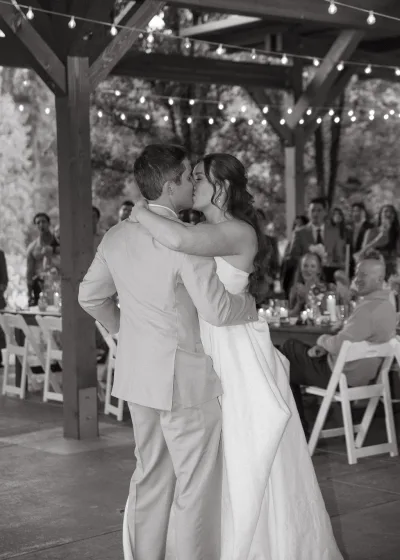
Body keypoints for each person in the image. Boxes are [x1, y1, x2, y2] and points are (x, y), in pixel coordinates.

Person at [131, 152, 342, 560]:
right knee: (202, 453)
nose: (193, 183)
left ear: (222, 187)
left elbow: (177, 240)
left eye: (199, 177)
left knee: (241, 450)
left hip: (232, 350)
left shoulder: (237, 231)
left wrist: (141, 208)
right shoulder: (205, 226)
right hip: (203, 342)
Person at [78, 144, 258, 560]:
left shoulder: (116, 235)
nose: (191, 183)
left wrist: (126, 332)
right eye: (187, 177)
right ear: (171, 183)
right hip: (186, 381)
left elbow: (90, 296)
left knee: (150, 476)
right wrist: (248, 306)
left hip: (140, 377)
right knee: (195, 487)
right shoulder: (186, 242)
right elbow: (216, 308)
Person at [282, 257, 396, 437]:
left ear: (379, 279)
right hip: (362, 376)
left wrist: (322, 340)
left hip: (340, 375)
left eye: (363, 274)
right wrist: (327, 346)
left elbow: (338, 344)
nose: (357, 278)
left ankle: (297, 432)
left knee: (284, 355)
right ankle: (297, 430)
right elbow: (348, 341)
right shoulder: (387, 306)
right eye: (356, 273)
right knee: (290, 355)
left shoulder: (368, 309)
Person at [288, 197, 346, 285]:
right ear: (308, 213)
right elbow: (293, 256)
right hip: (306, 278)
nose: (315, 214)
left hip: (329, 277)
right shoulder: (299, 233)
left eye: (319, 210)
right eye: (313, 211)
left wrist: (330, 263)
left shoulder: (334, 232)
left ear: (325, 212)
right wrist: (307, 262)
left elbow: (339, 257)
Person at [358, 204, 400, 279]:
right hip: (372, 271)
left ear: (394, 217)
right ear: (380, 215)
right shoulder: (371, 231)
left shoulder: (397, 233)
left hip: (390, 272)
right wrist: (378, 239)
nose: (389, 214)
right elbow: (362, 252)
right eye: (386, 211)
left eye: (391, 212)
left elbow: (398, 253)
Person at [27, 213, 59, 305]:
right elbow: (29, 272)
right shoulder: (32, 247)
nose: (41, 224)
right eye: (38, 222)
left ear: (49, 223)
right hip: (41, 286)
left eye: (43, 221)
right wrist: (29, 294)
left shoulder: (59, 241)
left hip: (59, 283)